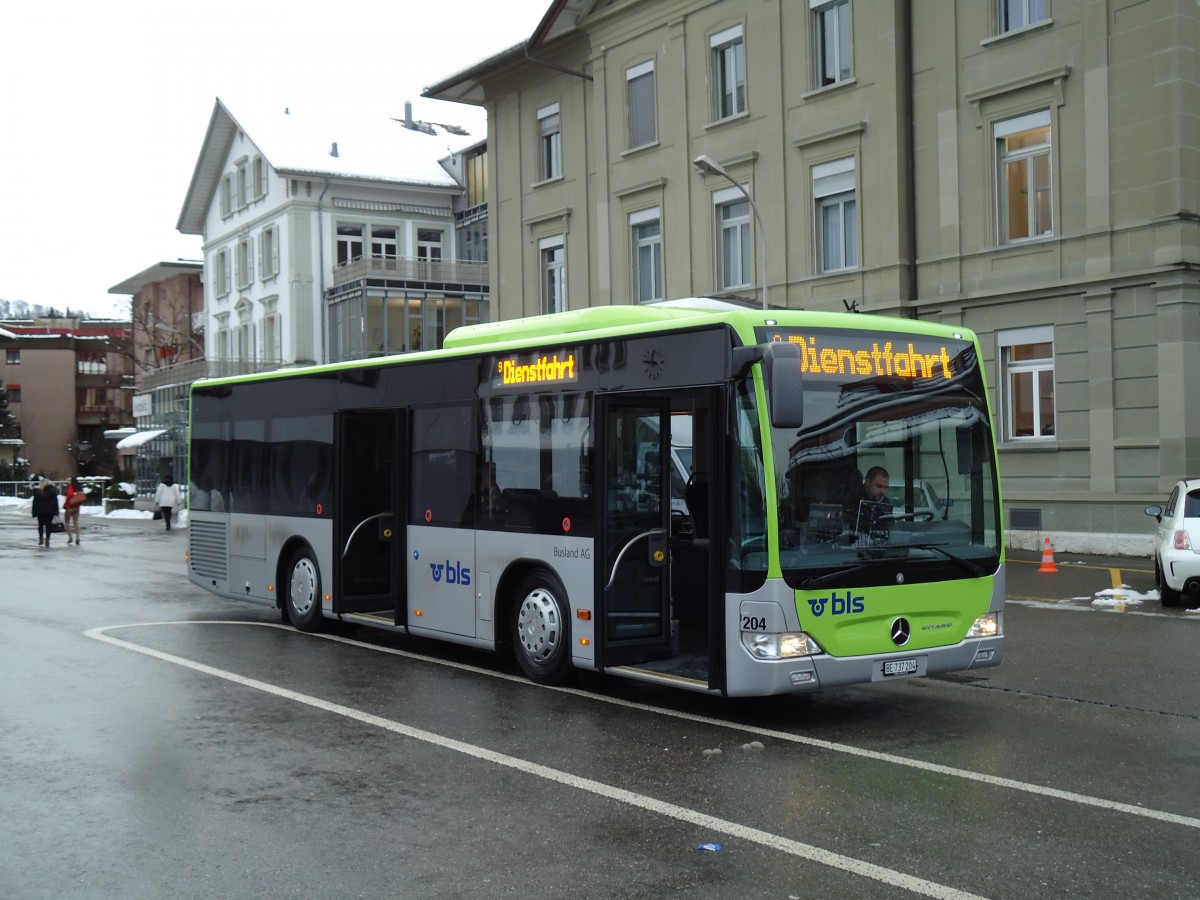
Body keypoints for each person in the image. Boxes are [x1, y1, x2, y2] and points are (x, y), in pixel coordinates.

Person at [852, 466, 893, 541]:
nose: (883, 492)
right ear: (867, 482)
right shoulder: (853, 498)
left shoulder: (885, 503)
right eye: (879, 486)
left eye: (885, 488)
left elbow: (888, 528)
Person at [31, 477, 59, 548]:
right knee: (48, 525)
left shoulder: (37, 492)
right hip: (49, 511)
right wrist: (56, 512)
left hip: (40, 511)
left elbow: (35, 503)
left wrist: (34, 512)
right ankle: (47, 539)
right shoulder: (52, 491)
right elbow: (55, 502)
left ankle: (41, 539)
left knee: (40, 525)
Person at [63, 476, 85, 545]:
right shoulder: (78, 488)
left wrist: (65, 505)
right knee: (76, 523)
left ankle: (70, 537)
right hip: (77, 507)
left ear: (71, 481)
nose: (67, 481)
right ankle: (78, 537)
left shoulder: (71, 488)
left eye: (69, 480)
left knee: (67, 522)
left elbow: (69, 496)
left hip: (70, 507)